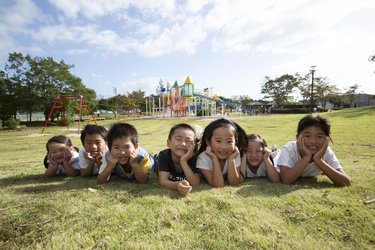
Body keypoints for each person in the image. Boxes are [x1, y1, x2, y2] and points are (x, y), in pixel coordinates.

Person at [274, 114, 351, 186]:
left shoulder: (326, 151)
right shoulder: (289, 148)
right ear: (297, 137)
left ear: (327, 140)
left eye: (319, 136)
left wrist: (318, 159)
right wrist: (306, 157)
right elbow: (286, 180)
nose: (313, 141)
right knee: (274, 154)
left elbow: (346, 182)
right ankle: (274, 150)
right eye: (307, 136)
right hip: (275, 159)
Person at [196, 118, 248, 187]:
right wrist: (214, 158)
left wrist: (231, 160)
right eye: (218, 141)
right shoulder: (203, 158)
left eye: (229, 141)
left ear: (235, 142)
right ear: (208, 142)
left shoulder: (234, 155)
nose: (224, 147)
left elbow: (234, 183)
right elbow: (218, 185)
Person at [157, 123, 200, 197]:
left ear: (194, 146)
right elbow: (163, 181)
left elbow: (195, 183)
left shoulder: (193, 158)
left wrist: (183, 161)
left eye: (188, 141)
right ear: (168, 143)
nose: (183, 144)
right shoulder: (164, 155)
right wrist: (177, 185)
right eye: (178, 139)